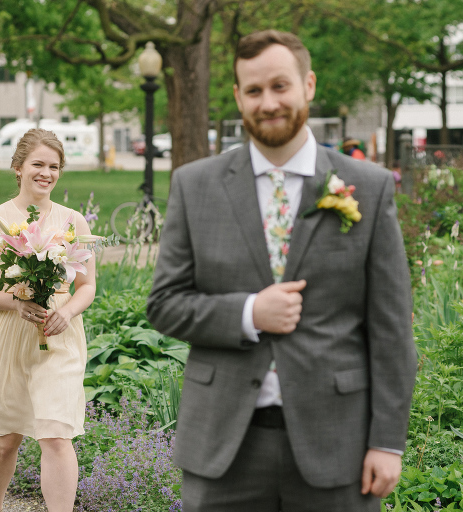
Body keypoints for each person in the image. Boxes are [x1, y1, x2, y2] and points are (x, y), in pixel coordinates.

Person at [147, 30, 416, 512]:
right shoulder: (195, 186)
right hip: (223, 448)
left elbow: (391, 328)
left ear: (308, 85)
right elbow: (165, 304)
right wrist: (250, 312)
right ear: (237, 97)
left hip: (338, 446)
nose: (268, 103)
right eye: (253, 91)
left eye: (280, 86)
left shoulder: (368, 188)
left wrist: (387, 442)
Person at [0, 129, 96, 512]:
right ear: (18, 168)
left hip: (58, 337)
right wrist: (16, 304)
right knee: (5, 439)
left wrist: (66, 311)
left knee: (56, 435)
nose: (46, 173)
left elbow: (86, 285)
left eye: (54, 166)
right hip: (6, 337)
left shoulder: (73, 222)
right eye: (38, 164)